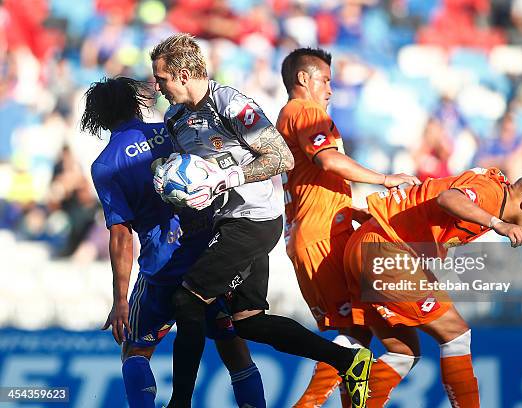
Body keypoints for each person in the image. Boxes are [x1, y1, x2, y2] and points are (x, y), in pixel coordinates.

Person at [150, 33, 373, 408]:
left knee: (187, 301)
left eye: (162, 79)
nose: (158, 86)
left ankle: (180, 404)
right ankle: (349, 361)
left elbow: (280, 158)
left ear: (184, 74)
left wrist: (227, 177)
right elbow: (194, 178)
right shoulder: (175, 119)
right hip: (226, 223)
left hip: (254, 220)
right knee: (249, 321)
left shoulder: (231, 105)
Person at [343, 167, 522, 407]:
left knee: (403, 353)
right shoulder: (490, 194)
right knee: (456, 335)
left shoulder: (502, 197)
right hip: (386, 250)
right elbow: (448, 198)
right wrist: (498, 224)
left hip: (369, 246)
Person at [82, 77, 266, 408]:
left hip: (161, 267)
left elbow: (120, 234)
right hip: (207, 256)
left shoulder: (106, 164)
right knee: (232, 345)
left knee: (136, 350)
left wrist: (120, 299)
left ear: (99, 117)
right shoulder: (172, 129)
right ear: (134, 103)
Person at [276, 47, 419, 407]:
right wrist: (384, 179)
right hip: (321, 235)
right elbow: (327, 160)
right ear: (303, 79)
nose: (330, 90)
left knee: (353, 337)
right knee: (351, 334)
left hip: (313, 231)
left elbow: (315, 178)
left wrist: (350, 209)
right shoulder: (305, 111)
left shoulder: (289, 116)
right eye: (324, 80)